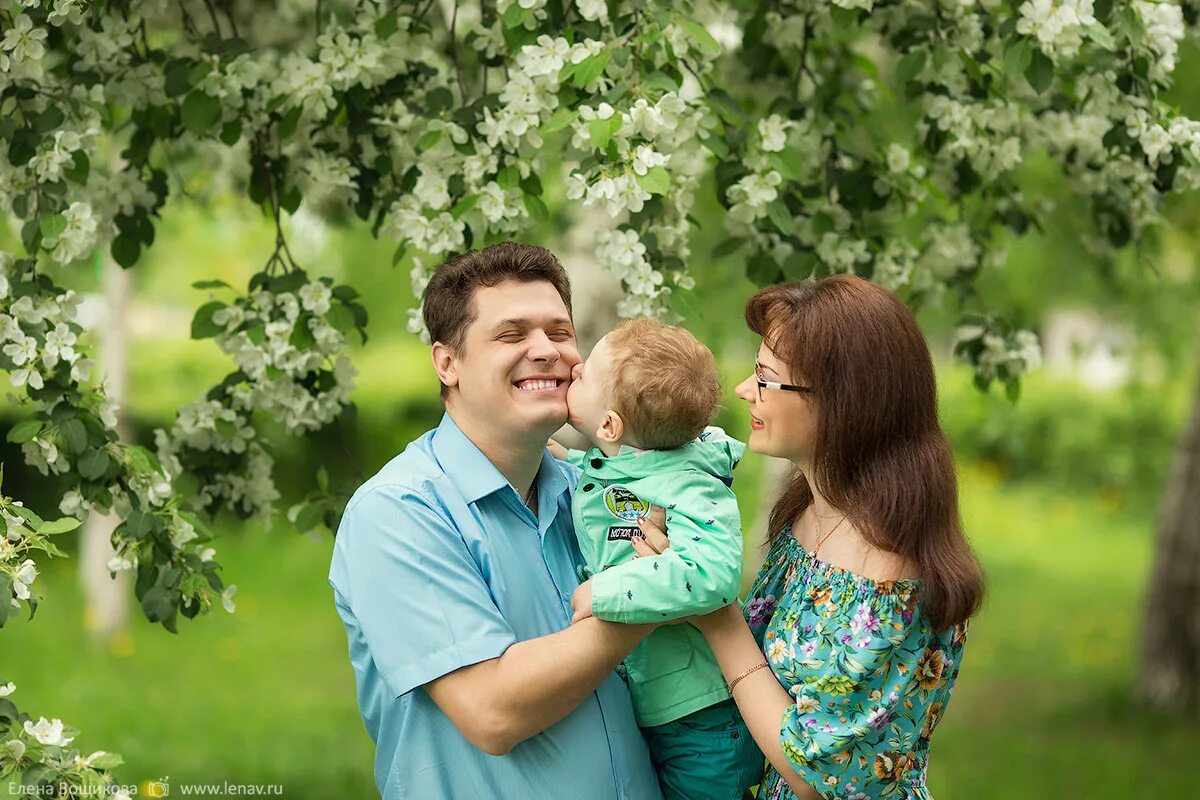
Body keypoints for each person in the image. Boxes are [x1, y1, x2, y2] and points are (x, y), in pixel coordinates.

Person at [327, 242, 662, 799]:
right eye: (511, 334)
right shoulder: (398, 513)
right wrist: (649, 597)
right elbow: (492, 710)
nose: (547, 351)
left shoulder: (590, 492)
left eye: (560, 332)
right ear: (447, 363)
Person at [633, 276, 985, 800]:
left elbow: (815, 776)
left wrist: (717, 618)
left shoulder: (888, 577)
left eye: (765, 378)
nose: (743, 391)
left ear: (842, 401)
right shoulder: (810, 514)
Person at [561, 317, 765, 800]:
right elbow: (613, 486)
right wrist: (557, 463)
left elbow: (711, 574)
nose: (573, 372)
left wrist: (609, 591)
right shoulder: (625, 460)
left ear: (609, 424)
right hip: (658, 708)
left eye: (585, 374)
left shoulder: (691, 486)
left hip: (702, 723)